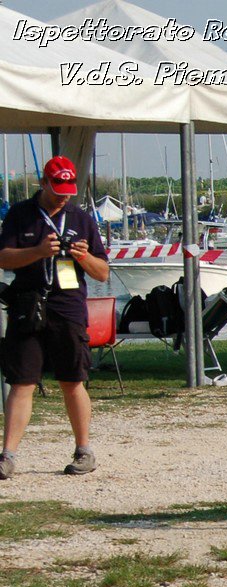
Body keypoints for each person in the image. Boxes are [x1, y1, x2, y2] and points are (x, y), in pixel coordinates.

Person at [0, 156, 108, 479]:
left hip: (68, 307)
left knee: (72, 380)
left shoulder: (82, 219)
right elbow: (3, 257)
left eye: (69, 190)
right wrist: (37, 252)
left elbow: (102, 271)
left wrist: (82, 255)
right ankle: (7, 456)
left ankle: (84, 450)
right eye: (58, 189)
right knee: (21, 382)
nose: (64, 196)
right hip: (28, 305)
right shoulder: (20, 215)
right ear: (43, 183)